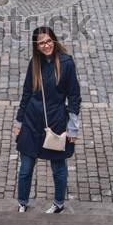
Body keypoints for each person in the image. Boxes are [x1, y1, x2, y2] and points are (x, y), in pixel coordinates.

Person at [15, 26, 81, 214]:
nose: (46, 46)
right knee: (26, 168)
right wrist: (19, 122)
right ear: (36, 46)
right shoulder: (34, 64)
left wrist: (73, 128)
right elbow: (27, 92)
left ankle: (59, 203)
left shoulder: (66, 63)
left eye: (48, 41)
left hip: (56, 122)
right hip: (31, 122)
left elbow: (74, 96)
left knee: (58, 168)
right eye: (41, 43)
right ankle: (22, 202)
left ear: (54, 40)